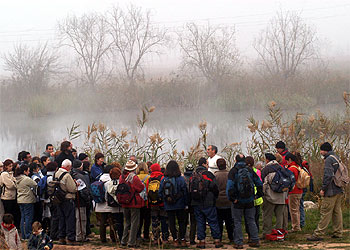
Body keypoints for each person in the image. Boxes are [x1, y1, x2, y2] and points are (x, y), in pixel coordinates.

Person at [307, 142, 344, 241]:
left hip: (331, 190)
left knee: (325, 212)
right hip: (339, 189)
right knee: (337, 212)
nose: (320, 152)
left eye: (321, 150)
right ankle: (338, 232)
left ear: (325, 150)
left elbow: (328, 176)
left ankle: (318, 234)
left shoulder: (328, 159)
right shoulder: (336, 157)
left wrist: (323, 189)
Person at [226, 154, 263, 249]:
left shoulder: (233, 171)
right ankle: (255, 240)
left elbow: (230, 186)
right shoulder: (250, 170)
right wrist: (258, 195)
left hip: (237, 201)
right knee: (251, 220)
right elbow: (259, 183)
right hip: (250, 200)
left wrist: (232, 198)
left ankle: (238, 242)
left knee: (237, 221)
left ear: (235, 160)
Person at [190, 157, 221, 249]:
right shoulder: (209, 174)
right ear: (203, 164)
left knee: (200, 222)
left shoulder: (193, 175)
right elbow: (215, 188)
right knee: (213, 221)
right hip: (209, 202)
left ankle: (201, 241)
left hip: (196, 202)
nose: (208, 165)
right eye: (207, 164)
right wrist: (214, 197)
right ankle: (217, 240)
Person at [159, 160, 188, 247]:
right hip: (180, 204)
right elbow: (185, 192)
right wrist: (186, 204)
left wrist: (166, 200)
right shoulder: (181, 179)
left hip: (168, 205)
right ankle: (182, 239)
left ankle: (175, 240)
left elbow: (160, 193)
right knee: (181, 222)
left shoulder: (164, 179)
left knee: (171, 222)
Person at [261, 153, 289, 238]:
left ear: (267, 160)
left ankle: (267, 233)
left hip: (270, 196)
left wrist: (264, 194)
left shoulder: (266, 169)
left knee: (267, 215)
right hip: (281, 196)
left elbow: (264, 183)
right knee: (279, 216)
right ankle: (279, 233)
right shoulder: (282, 168)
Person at [119, 160, 145, 247]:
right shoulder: (134, 177)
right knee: (134, 223)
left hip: (124, 202)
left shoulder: (121, 177)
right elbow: (141, 188)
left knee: (127, 222)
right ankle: (131, 242)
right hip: (134, 202)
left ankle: (123, 240)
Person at [95, 165, 121, 243]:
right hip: (110, 203)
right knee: (112, 221)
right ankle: (113, 237)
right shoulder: (111, 180)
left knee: (103, 221)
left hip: (101, 203)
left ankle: (102, 238)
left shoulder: (100, 178)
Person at [55, 159, 78, 245]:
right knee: (70, 219)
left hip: (58, 199)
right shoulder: (67, 175)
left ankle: (61, 237)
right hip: (67, 198)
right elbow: (72, 189)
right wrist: (76, 185)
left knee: (61, 218)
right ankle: (70, 238)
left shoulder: (56, 173)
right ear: (68, 167)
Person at [146, 163, 169, 245]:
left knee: (155, 221)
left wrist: (148, 203)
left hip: (153, 204)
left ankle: (156, 239)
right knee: (164, 221)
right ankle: (165, 239)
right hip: (162, 203)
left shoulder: (149, 179)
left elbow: (147, 192)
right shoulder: (163, 178)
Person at [15, 164, 37, 239]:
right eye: (28, 171)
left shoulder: (17, 178)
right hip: (27, 200)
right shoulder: (26, 179)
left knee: (23, 218)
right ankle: (28, 234)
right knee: (28, 218)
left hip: (20, 200)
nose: (29, 172)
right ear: (24, 171)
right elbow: (35, 184)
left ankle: (23, 235)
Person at [71, 159, 91, 242]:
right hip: (80, 201)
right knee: (81, 219)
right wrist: (88, 199)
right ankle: (80, 236)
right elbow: (83, 190)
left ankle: (79, 235)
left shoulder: (71, 174)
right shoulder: (79, 176)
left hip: (73, 200)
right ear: (80, 167)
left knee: (77, 218)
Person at [245, 156, 263, 242]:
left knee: (248, 218)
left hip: (249, 199)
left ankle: (249, 236)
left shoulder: (245, 172)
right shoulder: (258, 171)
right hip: (257, 199)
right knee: (256, 219)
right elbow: (260, 184)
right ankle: (256, 235)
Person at [285, 153, 303, 232]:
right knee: (297, 209)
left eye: (287, 160)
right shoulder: (298, 167)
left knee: (293, 210)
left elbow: (290, 180)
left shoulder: (291, 169)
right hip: (299, 190)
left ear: (289, 160)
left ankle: (295, 227)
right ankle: (298, 225)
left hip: (293, 191)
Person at [0, 159, 20, 229]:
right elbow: (10, 185)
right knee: (8, 213)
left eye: (12, 166)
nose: (11, 167)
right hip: (7, 196)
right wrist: (15, 183)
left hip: (13, 196)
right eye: (9, 166)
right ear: (6, 166)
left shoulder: (11, 174)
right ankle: (7, 226)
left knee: (14, 213)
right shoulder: (4, 174)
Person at [136, 162, 150, 242]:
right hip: (146, 202)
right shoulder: (148, 177)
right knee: (147, 220)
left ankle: (138, 235)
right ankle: (146, 235)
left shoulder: (135, 177)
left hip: (137, 202)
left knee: (139, 220)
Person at [44, 162, 59, 240]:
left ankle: (51, 232)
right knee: (55, 217)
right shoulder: (51, 178)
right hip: (52, 200)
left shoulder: (46, 176)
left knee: (52, 216)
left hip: (47, 200)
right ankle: (53, 234)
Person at [183, 163, 196, 245]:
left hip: (184, 202)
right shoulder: (195, 178)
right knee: (193, 222)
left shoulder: (182, 178)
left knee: (184, 221)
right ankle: (192, 239)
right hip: (193, 202)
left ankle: (183, 237)